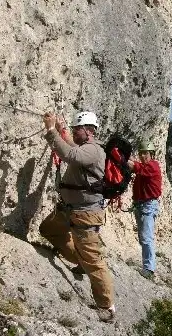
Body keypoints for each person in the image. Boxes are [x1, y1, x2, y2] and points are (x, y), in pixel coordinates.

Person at [39, 111, 116, 323]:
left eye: (76, 129)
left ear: (89, 130)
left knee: (93, 260)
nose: (74, 132)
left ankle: (107, 307)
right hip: (71, 209)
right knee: (48, 230)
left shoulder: (94, 149)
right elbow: (72, 147)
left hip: (85, 214)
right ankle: (78, 260)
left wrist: (51, 130)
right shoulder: (85, 148)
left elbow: (69, 155)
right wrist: (62, 130)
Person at [127, 140, 162, 279]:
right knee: (143, 237)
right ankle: (146, 265)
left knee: (146, 237)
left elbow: (134, 166)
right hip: (141, 204)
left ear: (151, 154)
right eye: (141, 153)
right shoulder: (146, 166)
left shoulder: (153, 166)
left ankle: (149, 269)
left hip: (148, 205)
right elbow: (136, 165)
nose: (142, 156)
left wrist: (121, 157)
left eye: (145, 153)